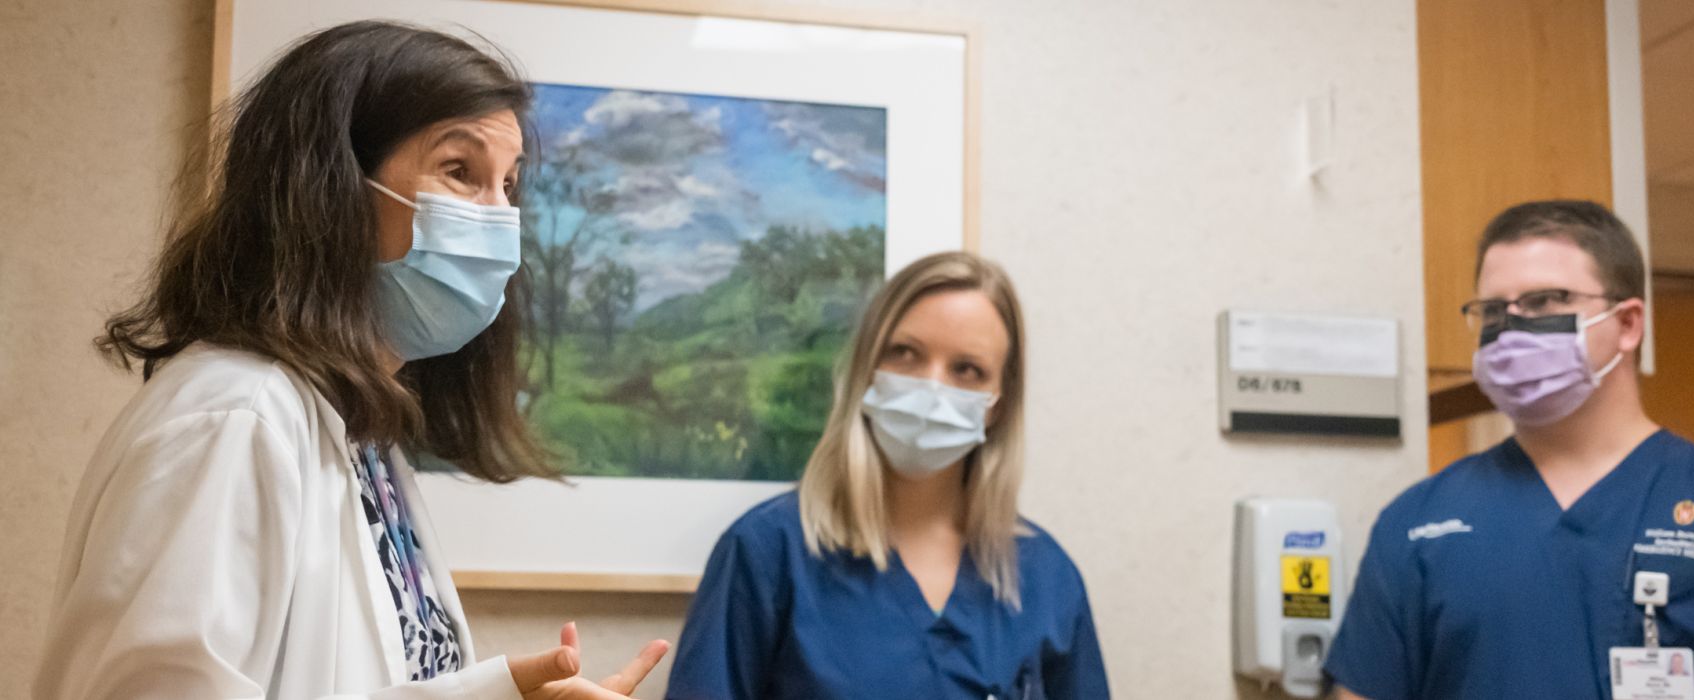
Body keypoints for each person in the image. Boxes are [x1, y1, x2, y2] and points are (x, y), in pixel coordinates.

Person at [34, 21, 666, 699]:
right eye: (460, 172)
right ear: (330, 189)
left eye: (507, 186)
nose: (498, 221)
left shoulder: (357, 430)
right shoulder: (235, 418)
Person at [1324, 200, 1694, 699]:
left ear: (1627, 323)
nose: (1514, 328)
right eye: (1494, 311)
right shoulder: (1420, 524)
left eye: (1547, 299)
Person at [665, 252, 1108, 699]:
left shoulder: (1046, 578)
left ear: (999, 403)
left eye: (967, 369)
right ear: (865, 369)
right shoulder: (767, 553)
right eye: (905, 353)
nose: (932, 387)